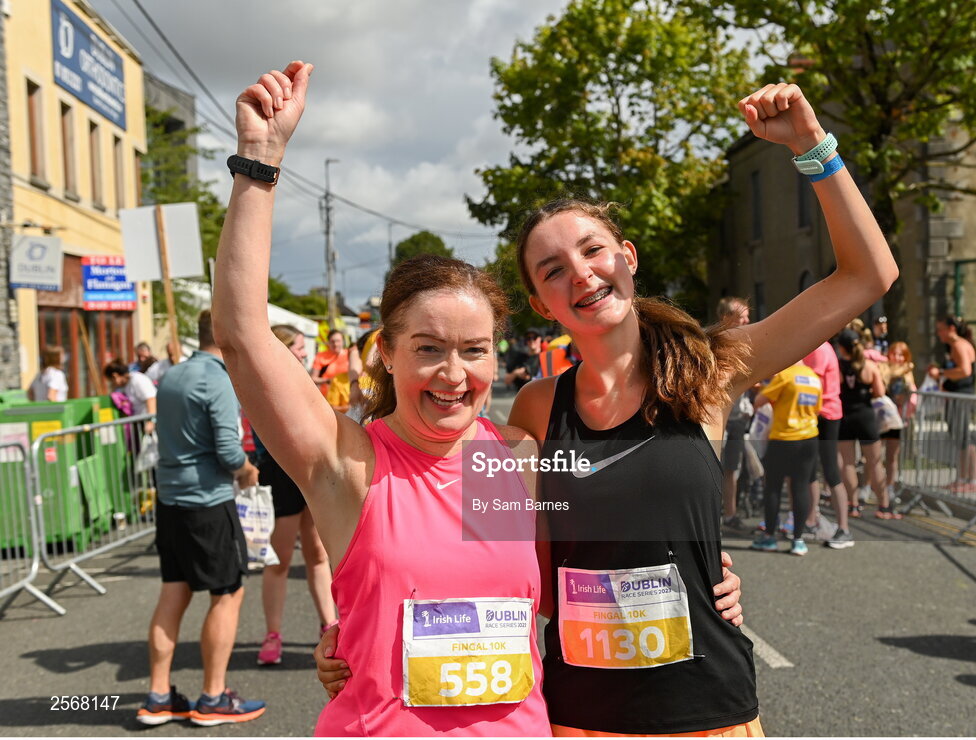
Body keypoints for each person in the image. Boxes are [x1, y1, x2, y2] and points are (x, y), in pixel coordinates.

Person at [317, 80, 898, 735]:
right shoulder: (532, 414)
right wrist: (364, 639)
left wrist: (811, 147)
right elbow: (495, 566)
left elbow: (867, 276)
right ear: (542, 304)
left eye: (592, 250)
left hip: (708, 712)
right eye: (553, 269)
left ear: (627, 257)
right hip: (581, 720)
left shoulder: (708, 371)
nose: (582, 274)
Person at [217, 60, 740, 736]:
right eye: (428, 349)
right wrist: (258, 163)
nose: (452, 375)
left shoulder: (514, 462)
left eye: (474, 350)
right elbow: (241, 336)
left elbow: (574, 589)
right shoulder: (347, 467)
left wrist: (709, 581)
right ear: (387, 352)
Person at [137, 310, 264, 727]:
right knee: (227, 594)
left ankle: (157, 696)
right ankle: (213, 697)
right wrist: (248, 471)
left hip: (170, 501)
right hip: (207, 501)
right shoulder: (218, 378)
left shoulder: (172, 375)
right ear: (228, 336)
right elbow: (229, 452)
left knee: (173, 593)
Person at [254, 324, 336, 666]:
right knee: (280, 559)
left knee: (318, 554)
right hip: (281, 475)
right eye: (300, 347)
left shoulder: (304, 380)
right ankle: (273, 634)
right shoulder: (265, 384)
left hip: (312, 474)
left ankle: (329, 623)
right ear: (283, 348)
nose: (304, 353)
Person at [750, 361, 822, 555]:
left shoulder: (785, 375)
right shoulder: (813, 377)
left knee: (773, 486)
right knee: (800, 487)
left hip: (784, 437)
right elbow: (817, 408)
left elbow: (759, 401)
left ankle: (770, 537)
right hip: (809, 438)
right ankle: (798, 540)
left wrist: (766, 389)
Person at [835, 329, 900, 518]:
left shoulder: (838, 366)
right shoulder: (869, 366)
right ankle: (884, 506)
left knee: (847, 463)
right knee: (875, 462)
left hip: (845, 416)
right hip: (865, 415)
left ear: (841, 348)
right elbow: (879, 392)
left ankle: (853, 505)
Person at [802, 341, 854, 548]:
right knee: (810, 471)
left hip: (827, 415)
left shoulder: (820, 348)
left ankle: (844, 529)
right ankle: (811, 520)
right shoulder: (813, 346)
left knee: (831, 472)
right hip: (816, 414)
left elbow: (808, 381)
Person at [930, 316, 976, 493]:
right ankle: (962, 477)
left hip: (962, 397)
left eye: (941, 329)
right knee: (960, 437)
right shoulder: (953, 346)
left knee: (965, 437)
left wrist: (942, 372)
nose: (938, 334)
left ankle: (972, 479)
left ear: (951, 328)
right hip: (954, 397)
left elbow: (965, 371)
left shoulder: (959, 345)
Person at [717, 297, 752, 530]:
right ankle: (710, 516)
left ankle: (730, 514)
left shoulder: (748, 343)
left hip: (737, 417)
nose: (748, 321)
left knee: (732, 468)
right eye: (743, 317)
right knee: (711, 468)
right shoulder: (713, 342)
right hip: (717, 417)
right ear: (727, 319)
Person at [880, 341, 917, 501]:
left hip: (897, 419)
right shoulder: (882, 368)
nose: (897, 357)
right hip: (881, 418)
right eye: (894, 353)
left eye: (901, 354)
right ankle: (870, 486)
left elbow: (911, 394)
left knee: (892, 455)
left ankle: (889, 486)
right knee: (874, 456)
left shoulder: (908, 372)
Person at [104, 360, 157, 434]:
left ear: (115, 376)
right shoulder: (125, 386)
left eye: (111, 381)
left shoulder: (137, 379)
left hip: (149, 421)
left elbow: (151, 399)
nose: (113, 384)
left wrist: (151, 422)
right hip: (141, 421)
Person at [311, 329, 348, 397]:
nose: (335, 344)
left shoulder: (350, 355)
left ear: (343, 341)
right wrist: (328, 380)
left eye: (338, 341)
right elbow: (313, 378)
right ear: (328, 342)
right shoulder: (320, 356)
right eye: (332, 341)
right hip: (327, 397)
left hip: (346, 397)